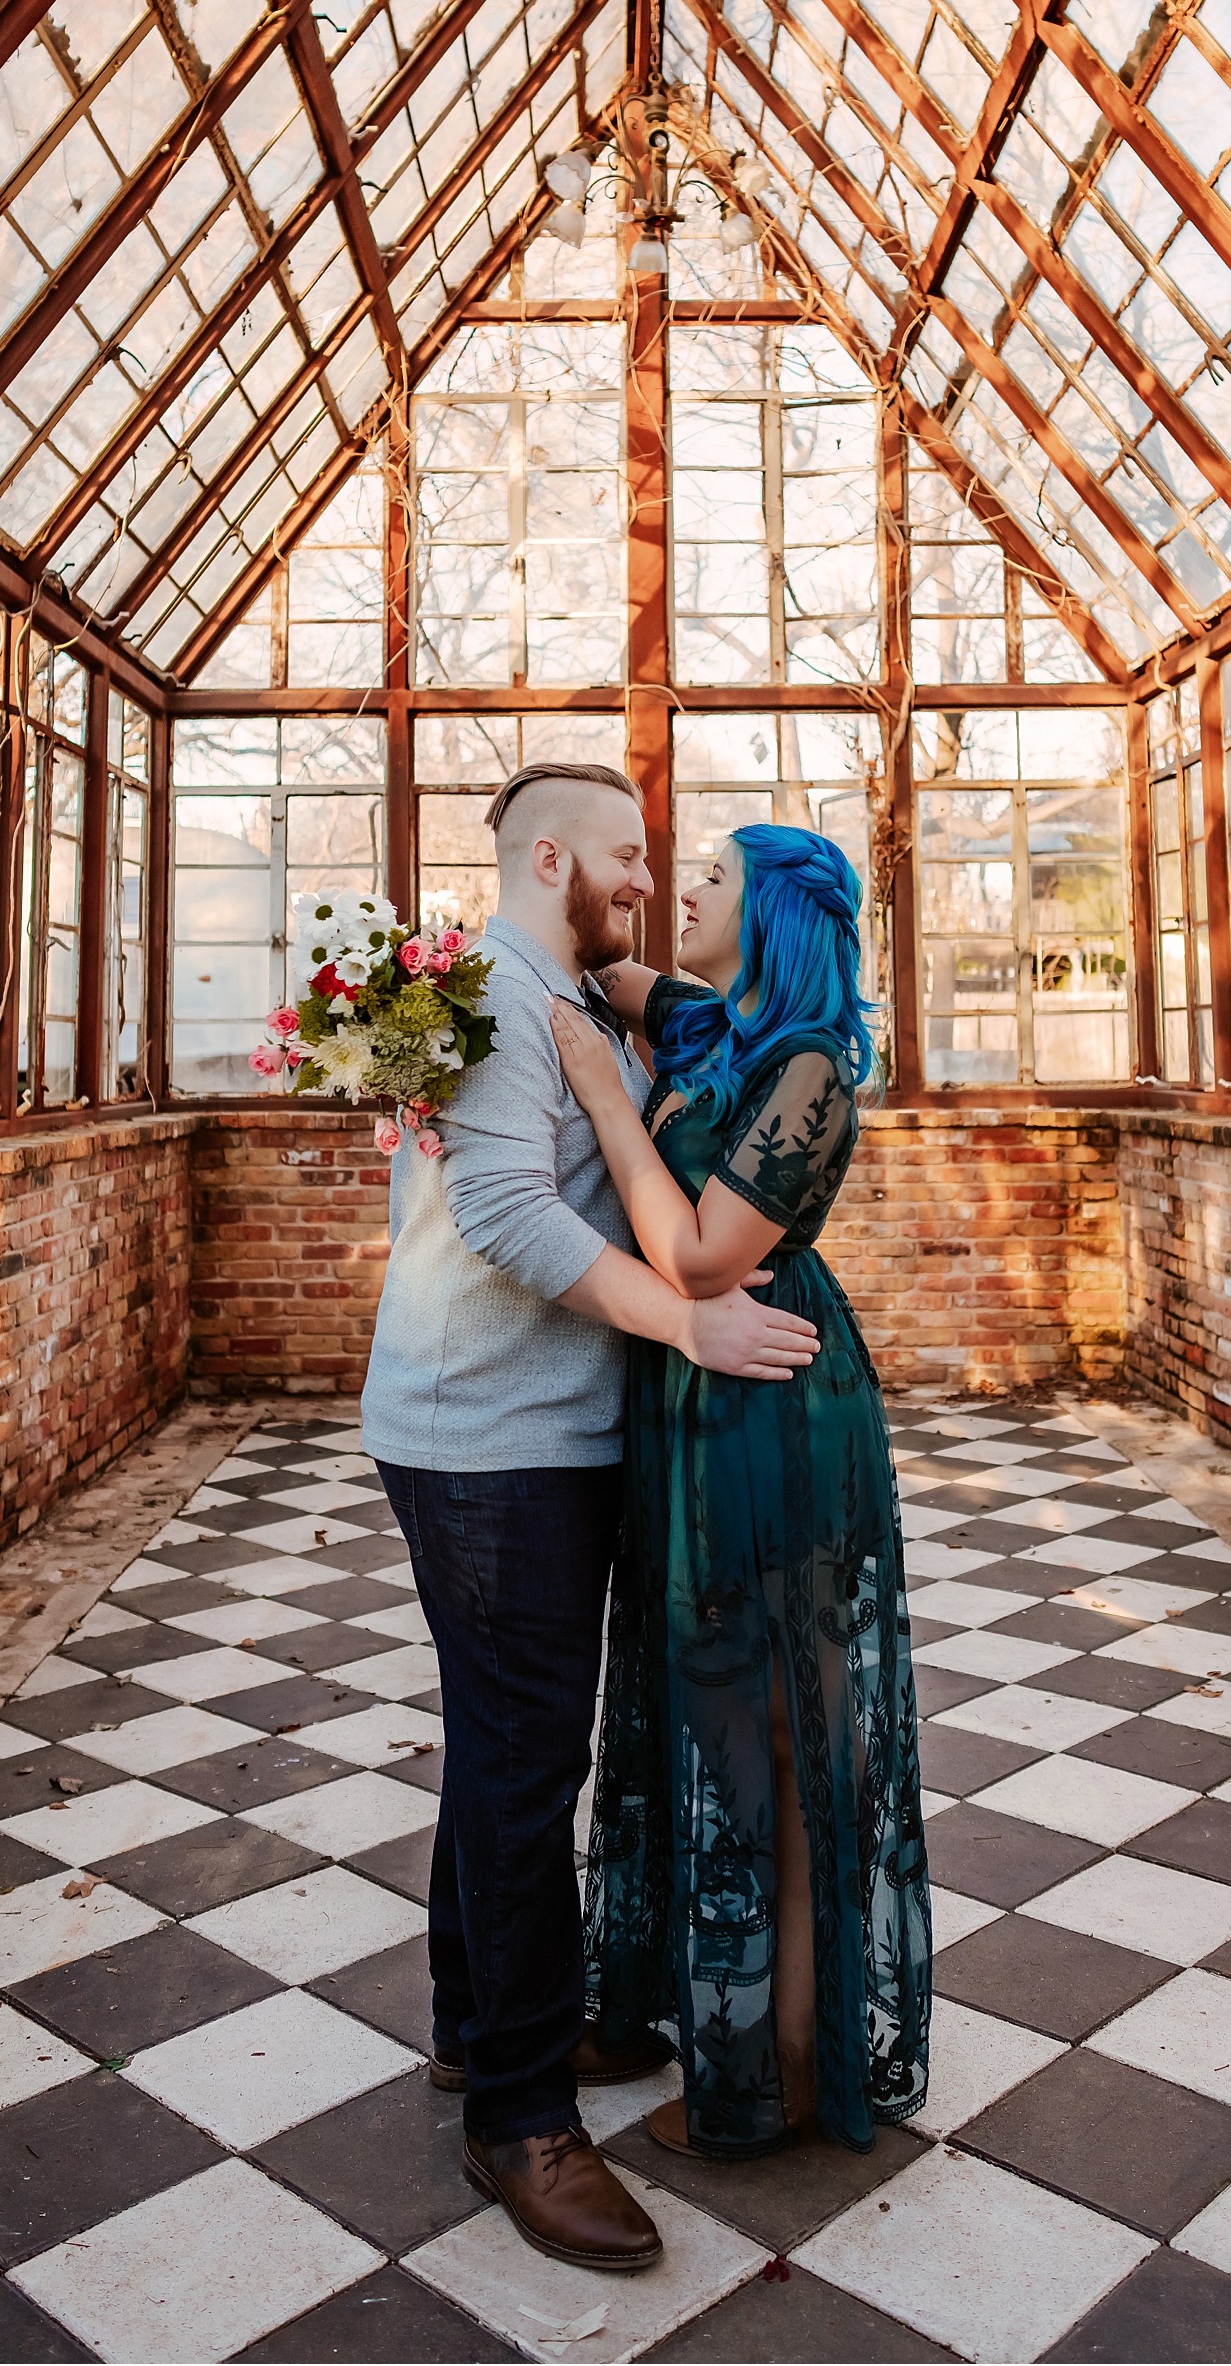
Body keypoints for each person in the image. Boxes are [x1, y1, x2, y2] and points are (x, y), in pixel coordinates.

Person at [362, 763, 821, 2275]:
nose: (646, 875)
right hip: (491, 1441)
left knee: (500, 1745)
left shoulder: (541, 978)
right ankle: (520, 2116)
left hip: (521, 1430)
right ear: (547, 853)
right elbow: (504, 1215)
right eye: (626, 854)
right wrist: (685, 1329)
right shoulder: (501, 991)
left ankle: (474, 2025)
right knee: (522, 1762)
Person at [550, 825, 931, 2158]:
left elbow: (707, 1256)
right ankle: (691, 2012)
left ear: (771, 911)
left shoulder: (809, 1067)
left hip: (774, 1405)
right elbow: (595, 961)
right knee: (701, 1718)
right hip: (688, 1399)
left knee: (779, 1736)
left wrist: (606, 1100)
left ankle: (784, 2073)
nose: (679, 893)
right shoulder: (706, 1018)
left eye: (707, 879)